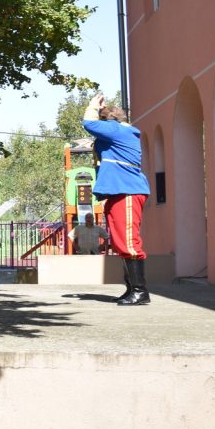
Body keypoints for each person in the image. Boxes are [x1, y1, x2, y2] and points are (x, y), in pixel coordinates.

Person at [84, 94, 151, 305]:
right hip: (117, 192)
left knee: (129, 241)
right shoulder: (116, 134)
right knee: (120, 242)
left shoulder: (117, 129)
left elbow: (89, 124)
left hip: (127, 190)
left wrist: (93, 107)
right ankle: (131, 289)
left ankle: (140, 292)